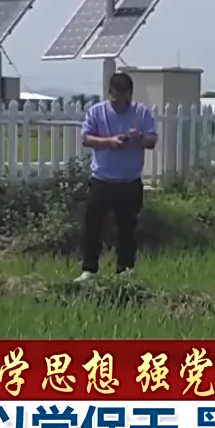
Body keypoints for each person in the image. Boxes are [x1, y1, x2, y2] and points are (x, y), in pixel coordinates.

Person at [74, 72, 157, 283]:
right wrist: (109, 142)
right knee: (93, 226)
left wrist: (139, 137)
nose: (121, 102)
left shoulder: (141, 112)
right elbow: (86, 138)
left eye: (125, 97)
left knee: (127, 228)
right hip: (102, 179)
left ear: (130, 94)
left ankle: (125, 271)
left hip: (129, 181)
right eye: (116, 97)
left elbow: (152, 140)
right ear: (109, 92)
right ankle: (89, 270)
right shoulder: (97, 112)